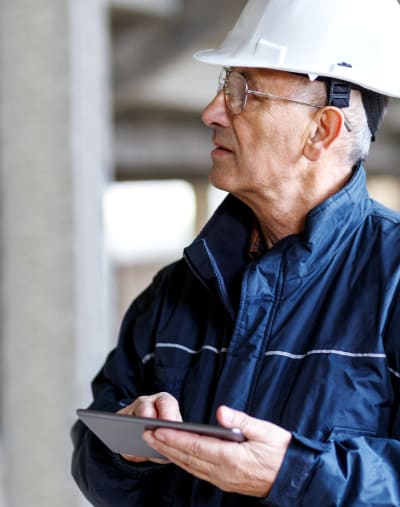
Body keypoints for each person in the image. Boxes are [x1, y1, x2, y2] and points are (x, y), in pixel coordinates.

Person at [71, 0, 400, 505]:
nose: (212, 110)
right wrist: (126, 447)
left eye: (244, 92)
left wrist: (295, 476)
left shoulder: (393, 277)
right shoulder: (176, 289)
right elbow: (94, 460)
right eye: (225, 85)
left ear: (322, 131)